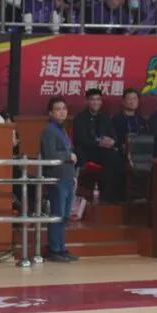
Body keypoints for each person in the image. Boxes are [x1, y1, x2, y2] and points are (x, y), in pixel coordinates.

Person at [39, 97, 78, 262]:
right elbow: (50, 154)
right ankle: (54, 248)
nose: (62, 112)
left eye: (64, 108)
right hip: (57, 177)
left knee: (65, 215)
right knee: (58, 213)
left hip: (67, 176)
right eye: (58, 109)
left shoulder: (62, 129)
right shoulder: (49, 130)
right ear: (50, 112)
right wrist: (68, 156)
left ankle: (61, 248)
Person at [72, 88, 125, 202]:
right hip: (87, 151)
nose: (96, 102)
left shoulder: (105, 117)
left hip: (102, 152)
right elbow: (79, 139)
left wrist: (112, 142)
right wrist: (98, 143)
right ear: (87, 101)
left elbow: (113, 136)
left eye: (98, 99)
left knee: (116, 157)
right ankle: (105, 197)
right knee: (109, 158)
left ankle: (114, 197)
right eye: (92, 99)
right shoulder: (80, 118)